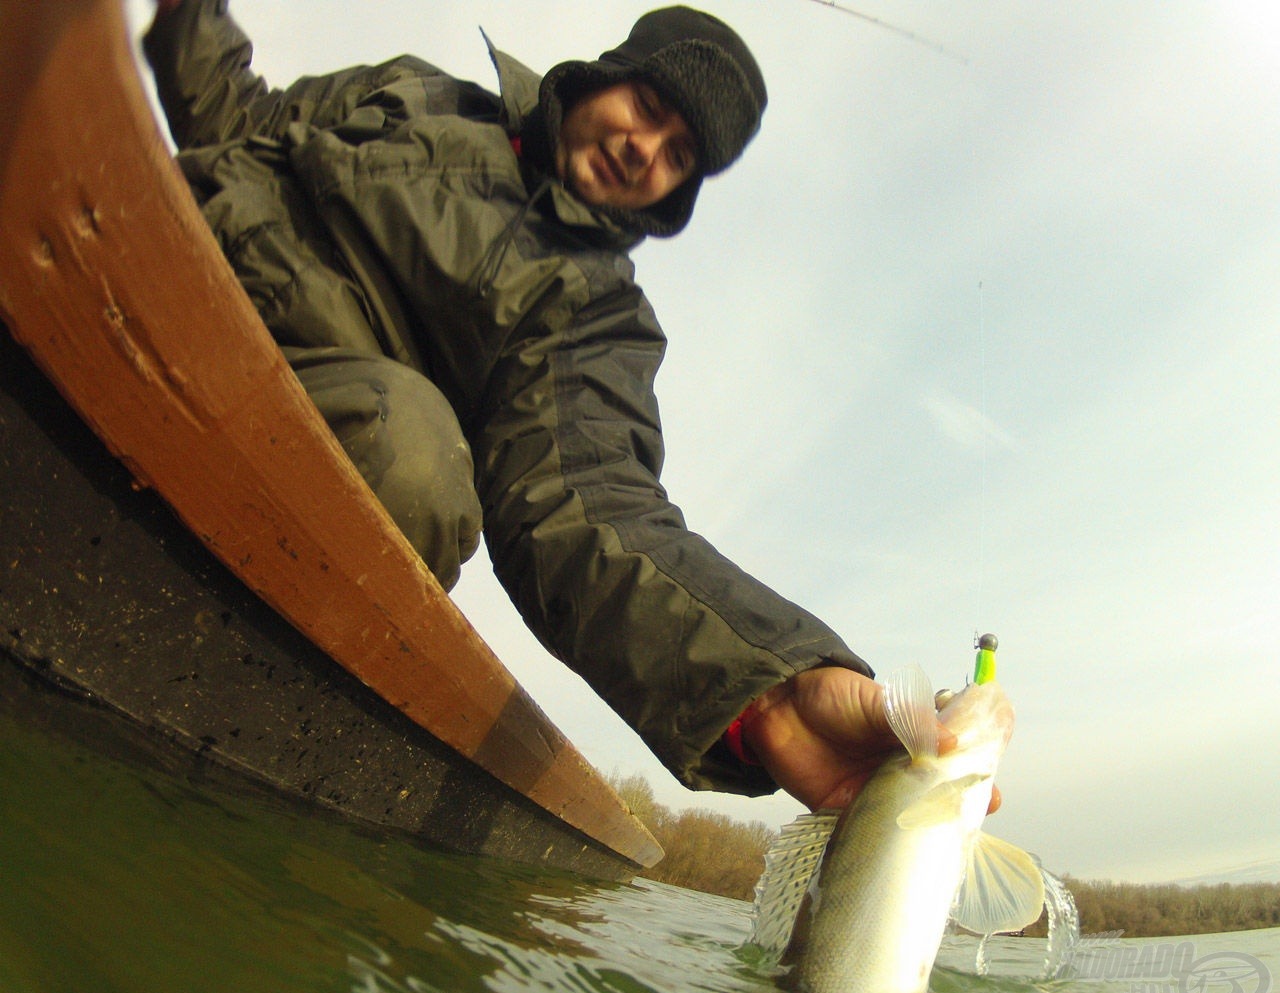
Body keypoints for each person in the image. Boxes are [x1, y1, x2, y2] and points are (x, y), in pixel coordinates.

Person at [143, 1, 997, 818]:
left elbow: (584, 505)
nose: (644, 148)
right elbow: (235, 117)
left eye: (677, 155)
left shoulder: (596, 318)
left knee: (418, 463)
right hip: (159, 240)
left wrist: (768, 694)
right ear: (600, 78)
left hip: (294, 420)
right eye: (650, 105)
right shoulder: (421, 91)